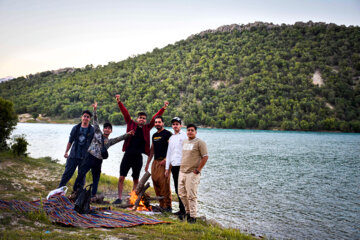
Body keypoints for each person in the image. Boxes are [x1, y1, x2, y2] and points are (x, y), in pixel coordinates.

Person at [113, 94, 169, 204]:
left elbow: (154, 119)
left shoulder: (147, 128)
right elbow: (125, 113)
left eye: (144, 118)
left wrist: (163, 108)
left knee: (136, 179)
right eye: (140, 118)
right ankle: (119, 198)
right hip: (128, 154)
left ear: (145, 120)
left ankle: (133, 198)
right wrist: (119, 102)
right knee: (121, 177)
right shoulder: (131, 123)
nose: (142, 120)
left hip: (138, 157)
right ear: (137, 119)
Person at [73, 101, 134, 198]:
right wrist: (95, 110)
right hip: (89, 157)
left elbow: (120, 138)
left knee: (96, 178)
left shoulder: (110, 141)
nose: (107, 130)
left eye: (109, 128)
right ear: (103, 129)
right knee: (81, 174)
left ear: (111, 131)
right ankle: (74, 191)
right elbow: (95, 121)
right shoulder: (97, 132)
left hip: (98, 161)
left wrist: (129, 134)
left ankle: (93, 195)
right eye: (105, 128)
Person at [178, 124, 208, 223]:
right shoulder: (185, 141)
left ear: (195, 132)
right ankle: (187, 213)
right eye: (188, 130)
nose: (190, 132)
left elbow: (205, 157)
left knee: (191, 195)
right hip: (182, 172)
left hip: (192, 173)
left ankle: (193, 216)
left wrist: (198, 170)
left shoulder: (200, 142)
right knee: (182, 194)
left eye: (192, 130)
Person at [58, 110, 94, 188]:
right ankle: (59, 190)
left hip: (84, 157)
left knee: (81, 176)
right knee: (67, 173)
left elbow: (94, 144)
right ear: (81, 117)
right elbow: (70, 141)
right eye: (84, 116)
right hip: (73, 155)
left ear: (90, 119)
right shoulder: (75, 128)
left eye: (88, 117)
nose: (86, 118)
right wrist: (66, 152)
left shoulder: (92, 130)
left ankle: (78, 194)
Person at [144, 116, 172, 212]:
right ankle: (161, 204)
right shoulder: (154, 135)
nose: (157, 124)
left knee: (164, 183)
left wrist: (166, 159)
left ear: (163, 123)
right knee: (155, 181)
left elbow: (172, 148)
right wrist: (148, 163)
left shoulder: (168, 134)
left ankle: (167, 206)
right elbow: (152, 150)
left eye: (159, 122)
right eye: (156, 122)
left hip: (164, 161)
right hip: (155, 162)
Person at [164, 117, 187, 216]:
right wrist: (166, 168)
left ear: (180, 125)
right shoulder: (172, 138)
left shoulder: (185, 136)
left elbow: (188, 151)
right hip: (174, 166)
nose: (175, 126)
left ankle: (187, 211)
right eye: (173, 124)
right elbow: (169, 153)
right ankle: (181, 210)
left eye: (177, 124)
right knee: (178, 189)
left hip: (183, 165)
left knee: (184, 189)